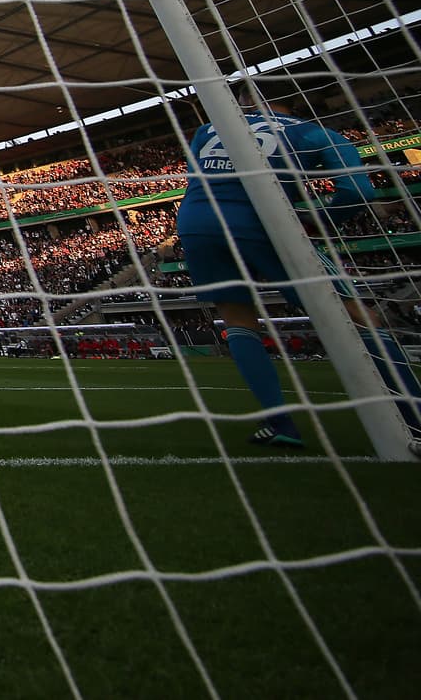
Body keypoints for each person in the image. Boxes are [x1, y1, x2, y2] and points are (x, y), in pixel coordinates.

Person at [177, 80, 421, 454]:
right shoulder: (317, 134)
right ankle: (414, 417)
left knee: (238, 319)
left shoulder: (208, 130)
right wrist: (319, 221)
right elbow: (358, 191)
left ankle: (280, 423)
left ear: (246, 99)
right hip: (266, 221)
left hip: (196, 222)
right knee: (356, 315)